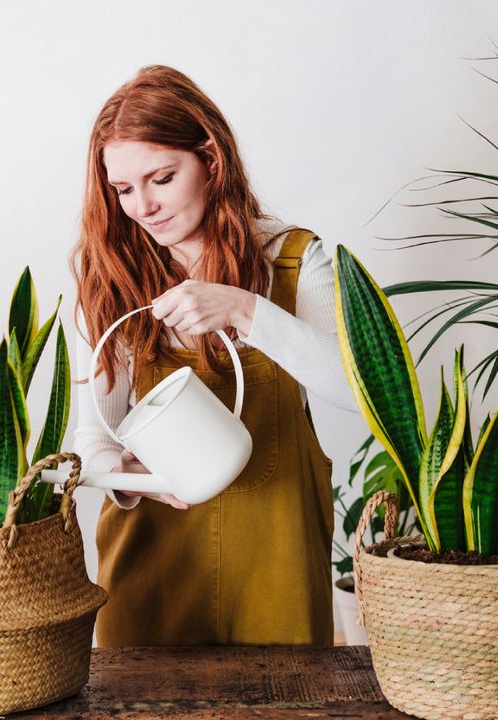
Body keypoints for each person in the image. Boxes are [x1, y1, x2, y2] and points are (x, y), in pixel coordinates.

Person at [70, 65, 356, 647]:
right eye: (124, 190)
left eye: (162, 177)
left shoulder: (297, 260)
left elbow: (358, 391)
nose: (143, 206)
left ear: (211, 160)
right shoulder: (117, 279)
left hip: (276, 559)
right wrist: (125, 478)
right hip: (151, 561)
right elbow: (94, 432)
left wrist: (247, 311)